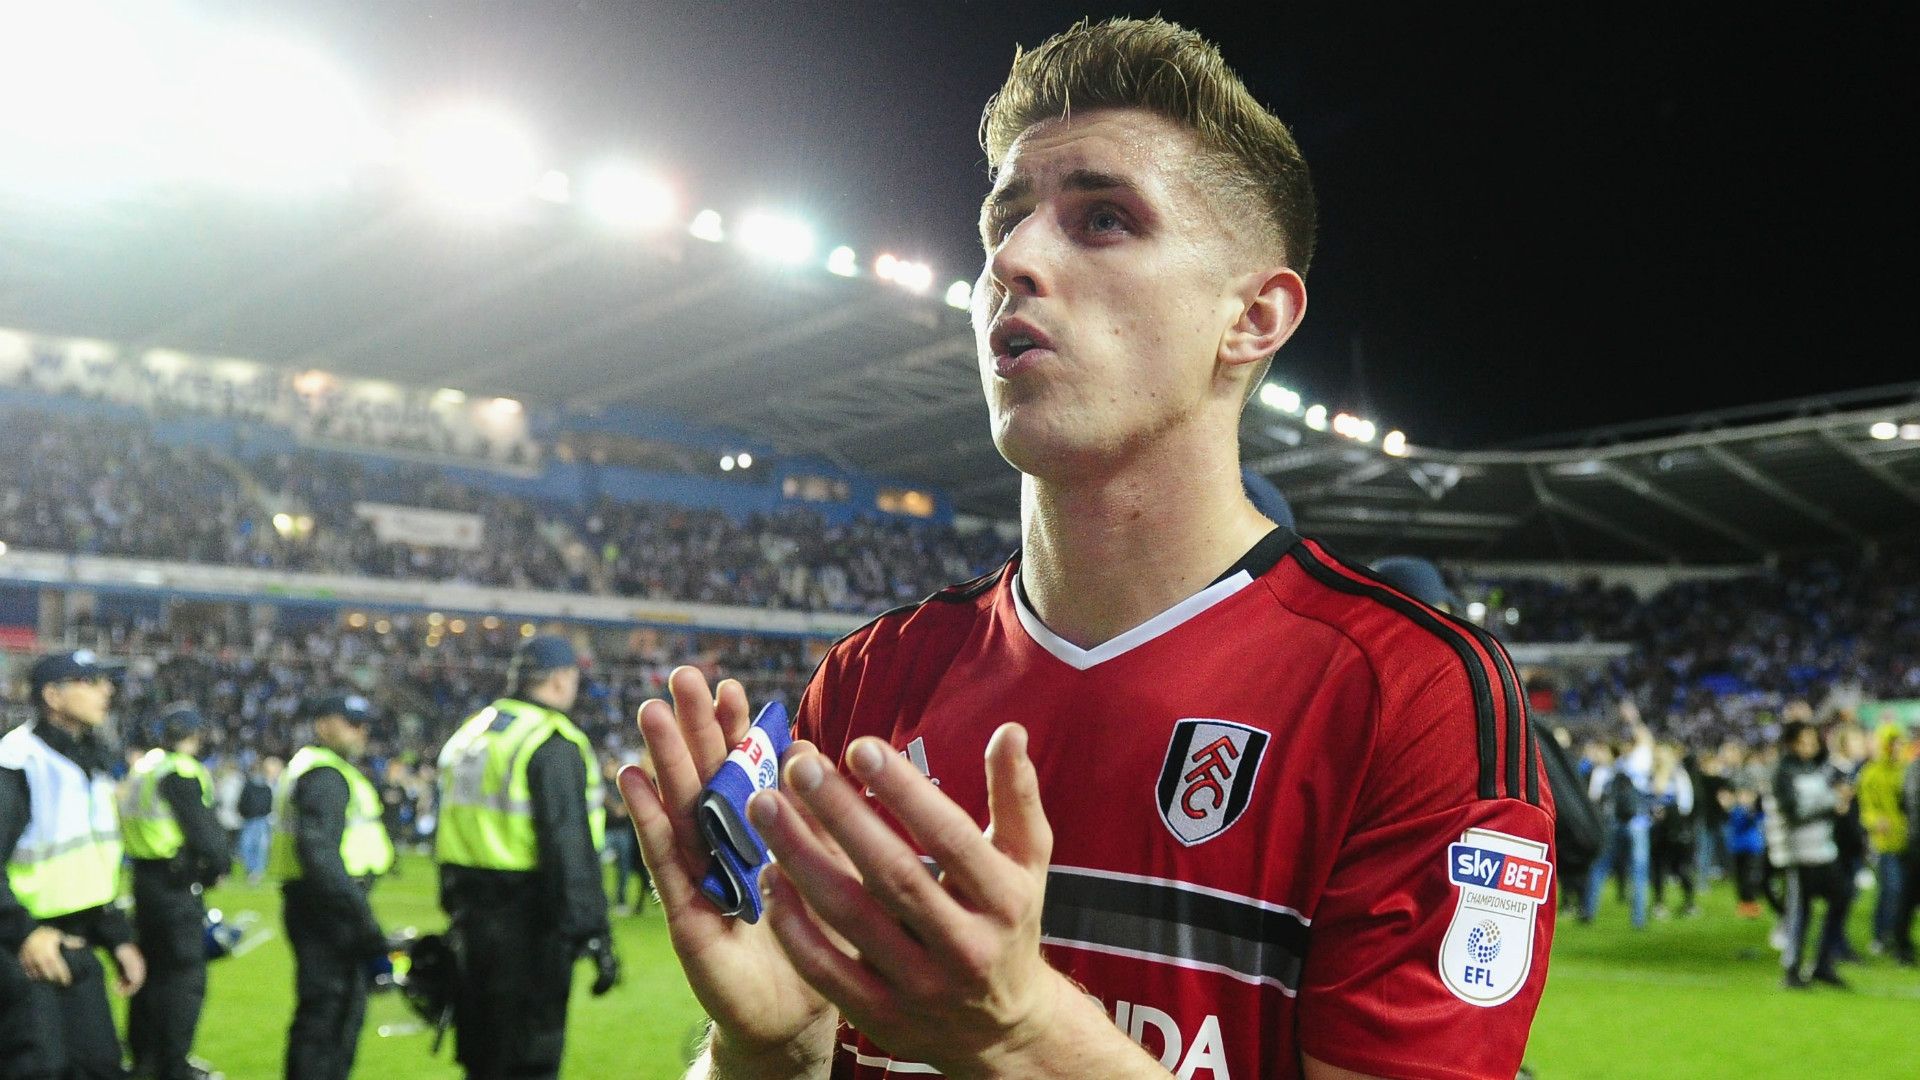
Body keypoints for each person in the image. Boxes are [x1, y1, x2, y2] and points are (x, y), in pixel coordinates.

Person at [621, 18, 1555, 1080]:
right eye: (1005, 222)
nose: (1014, 260)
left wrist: (1027, 1037)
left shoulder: (1405, 695)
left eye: (1103, 219)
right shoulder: (875, 679)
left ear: (1252, 317)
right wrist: (765, 1050)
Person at [435, 635, 618, 1079]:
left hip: (469, 920)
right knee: (529, 1059)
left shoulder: (472, 731)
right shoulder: (549, 740)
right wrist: (593, 932)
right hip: (529, 926)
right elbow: (566, 845)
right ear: (560, 679)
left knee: (482, 1056)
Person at [0, 649, 146, 1080]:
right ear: (53, 695)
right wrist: (24, 930)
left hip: (75, 943)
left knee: (100, 1066)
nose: (107, 690)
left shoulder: (90, 763)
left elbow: (86, 870)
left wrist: (117, 935)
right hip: (22, 951)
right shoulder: (15, 762)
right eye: (90, 681)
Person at [271, 693, 394, 1080]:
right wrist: (362, 920)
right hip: (329, 910)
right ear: (323, 723)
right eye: (351, 722)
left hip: (322, 904)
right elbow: (320, 855)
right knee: (329, 1019)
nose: (361, 731)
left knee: (330, 1016)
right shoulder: (324, 773)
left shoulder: (321, 768)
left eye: (363, 724)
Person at [122, 704, 228, 1080]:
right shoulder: (179, 771)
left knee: (148, 973)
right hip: (174, 883)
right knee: (183, 978)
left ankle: (143, 1060)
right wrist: (217, 867)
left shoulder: (144, 768)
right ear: (195, 735)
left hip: (144, 882)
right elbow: (204, 832)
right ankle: (172, 1064)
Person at [1764, 719, 1847, 989]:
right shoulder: (1782, 772)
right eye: (1805, 741)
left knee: (1841, 898)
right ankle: (1792, 969)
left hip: (1822, 850)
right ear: (1791, 743)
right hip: (1797, 853)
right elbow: (1793, 811)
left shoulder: (1812, 767)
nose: (1811, 746)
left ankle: (1822, 963)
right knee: (1800, 912)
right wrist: (1831, 803)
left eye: (1813, 741)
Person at [1858, 725, 1907, 955]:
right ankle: (1881, 936)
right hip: (1884, 842)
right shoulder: (1871, 773)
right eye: (1893, 743)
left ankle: (1897, 936)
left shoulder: (1904, 771)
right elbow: (1865, 809)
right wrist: (1876, 821)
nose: (1897, 747)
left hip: (1906, 840)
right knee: (1891, 889)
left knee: (1903, 891)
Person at [236, 758, 278, 886]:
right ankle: (254, 871)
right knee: (253, 846)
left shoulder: (255, 787)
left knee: (253, 846)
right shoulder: (262, 787)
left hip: (257, 819)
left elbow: (243, 802)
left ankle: (255, 871)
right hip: (255, 819)